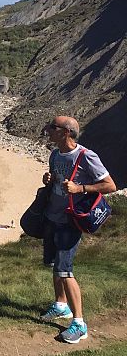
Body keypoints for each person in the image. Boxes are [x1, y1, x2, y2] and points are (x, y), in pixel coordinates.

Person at [39, 116, 117, 343]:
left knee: (65, 270)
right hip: (52, 217)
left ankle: (79, 324)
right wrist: (49, 180)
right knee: (55, 266)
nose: (48, 130)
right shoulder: (55, 154)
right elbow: (57, 181)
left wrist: (80, 187)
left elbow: (110, 185)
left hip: (70, 222)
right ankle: (61, 305)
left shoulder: (86, 156)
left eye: (52, 127)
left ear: (66, 132)